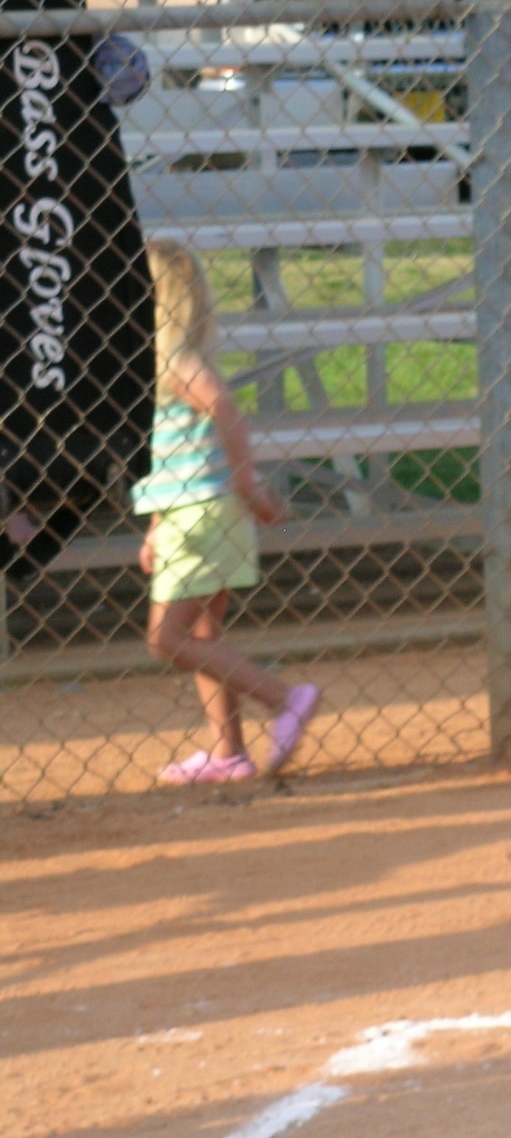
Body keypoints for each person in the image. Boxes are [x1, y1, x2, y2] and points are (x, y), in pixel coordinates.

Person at [135, 239, 319, 784]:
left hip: (203, 515)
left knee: (166, 638)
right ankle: (227, 753)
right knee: (204, 637)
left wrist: (247, 484)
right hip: (189, 515)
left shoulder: (177, 364)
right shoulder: (161, 367)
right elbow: (173, 456)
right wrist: (155, 525)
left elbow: (222, 405)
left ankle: (284, 699)